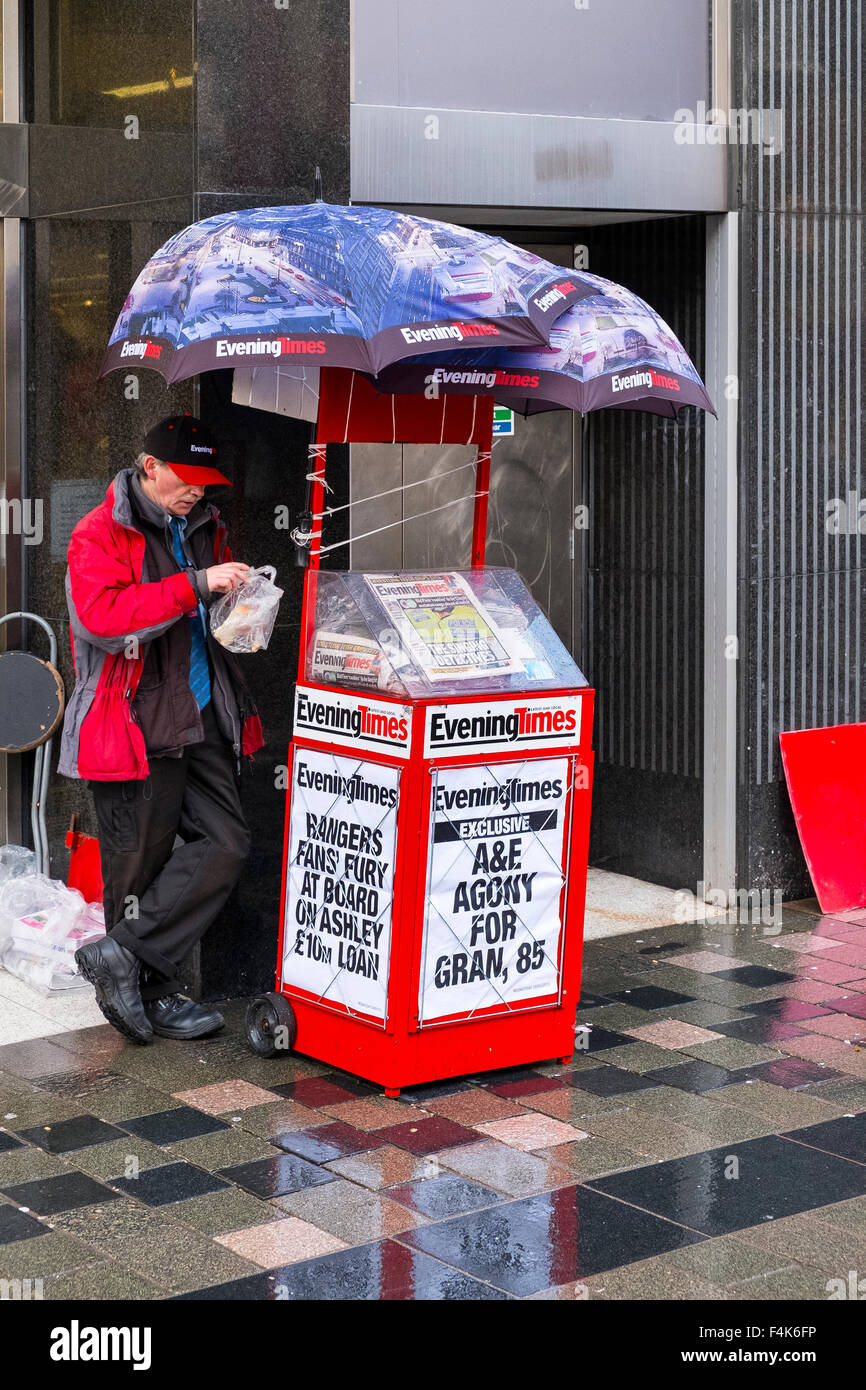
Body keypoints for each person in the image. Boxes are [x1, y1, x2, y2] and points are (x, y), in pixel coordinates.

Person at [59, 414, 264, 1044]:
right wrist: (195, 585)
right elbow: (103, 618)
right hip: (131, 716)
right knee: (137, 862)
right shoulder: (98, 533)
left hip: (200, 710)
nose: (198, 491)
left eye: (207, 481)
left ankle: (122, 955)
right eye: (187, 478)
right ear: (151, 467)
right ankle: (148, 993)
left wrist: (242, 607)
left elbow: (204, 614)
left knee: (226, 843)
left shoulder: (202, 524)